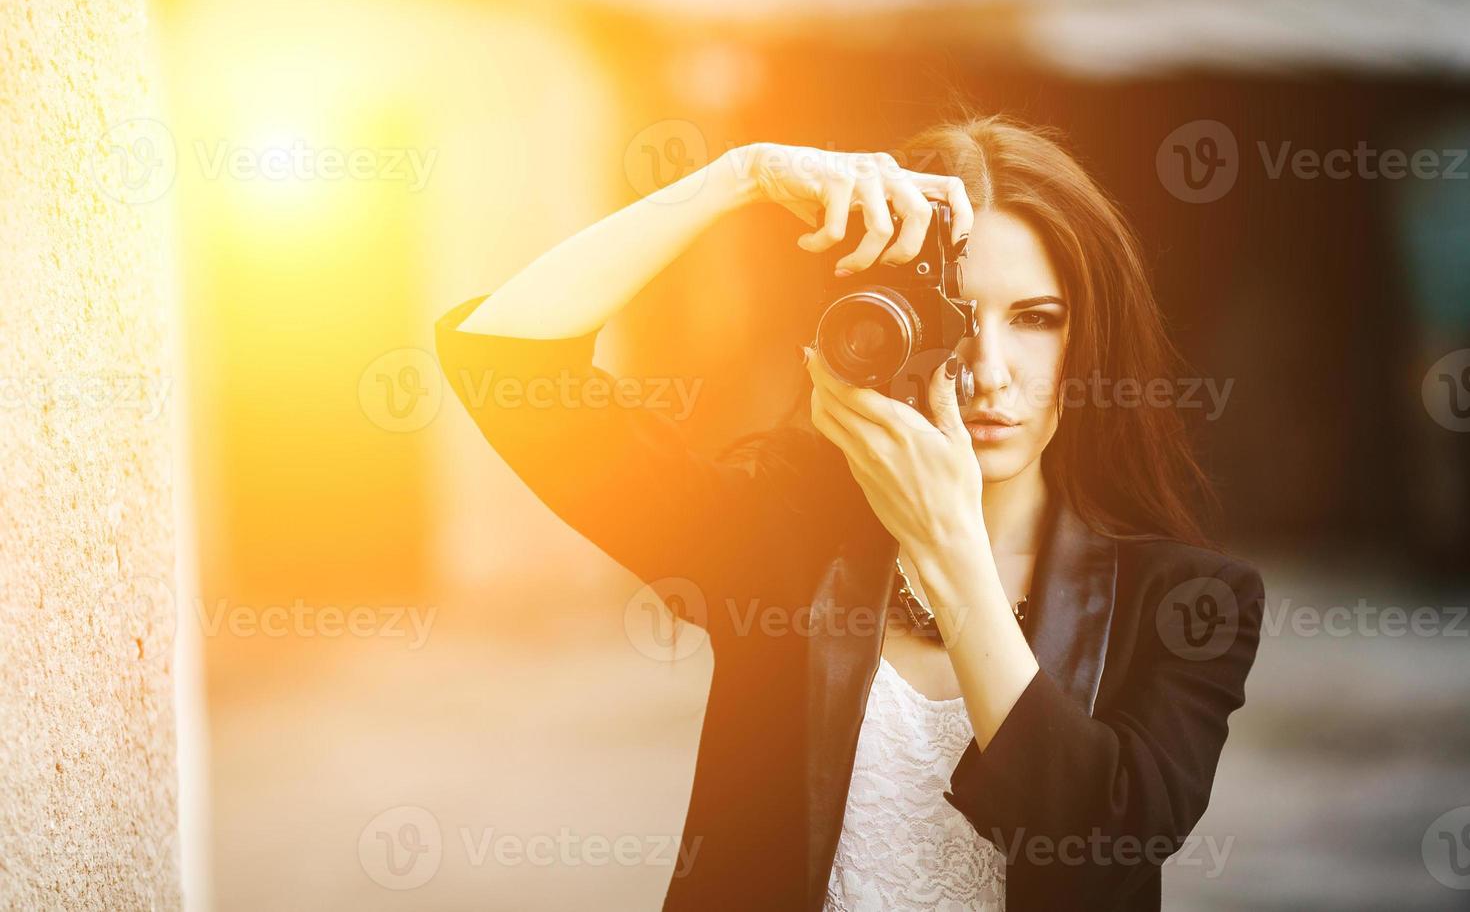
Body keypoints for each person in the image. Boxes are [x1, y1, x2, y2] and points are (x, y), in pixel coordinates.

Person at [435, 113, 1266, 911]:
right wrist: (741, 175)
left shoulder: (1192, 600)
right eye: (960, 318)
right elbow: (504, 358)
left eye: (1037, 321)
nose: (989, 371)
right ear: (884, 327)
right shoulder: (785, 530)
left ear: (1092, 340)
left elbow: (1097, 846)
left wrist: (949, 545)